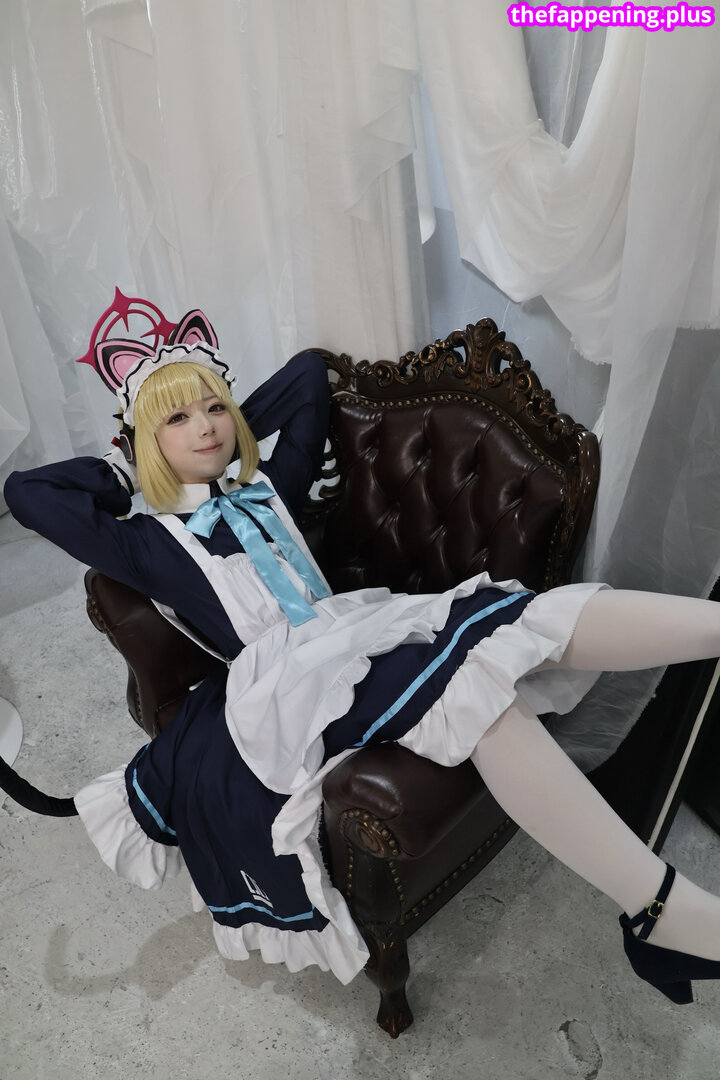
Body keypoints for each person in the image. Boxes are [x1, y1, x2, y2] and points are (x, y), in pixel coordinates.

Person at [5, 320, 720, 1003]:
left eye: (214, 407)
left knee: (519, 616)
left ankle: (663, 912)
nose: (206, 427)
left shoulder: (269, 486)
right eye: (179, 419)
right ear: (146, 441)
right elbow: (26, 495)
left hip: (353, 628)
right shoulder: (147, 544)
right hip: (286, 682)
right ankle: (665, 914)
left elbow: (307, 380)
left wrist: (228, 424)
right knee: (483, 701)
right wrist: (129, 466)